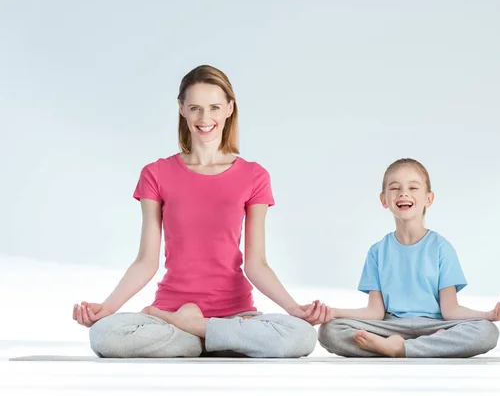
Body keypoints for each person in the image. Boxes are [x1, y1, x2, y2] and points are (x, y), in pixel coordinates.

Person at [72, 65, 323, 358]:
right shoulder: (156, 174)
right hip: (170, 313)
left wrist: (293, 308)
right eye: (195, 108)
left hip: (234, 315)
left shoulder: (254, 176)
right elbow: (146, 261)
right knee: (105, 336)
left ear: (229, 108)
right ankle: (204, 337)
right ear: (182, 109)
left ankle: (197, 332)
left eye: (214, 107)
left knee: (302, 337)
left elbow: (257, 264)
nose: (205, 119)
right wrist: (108, 308)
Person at [316, 158, 500, 358]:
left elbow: (450, 310)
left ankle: (399, 348)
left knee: (486, 332)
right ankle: (418, 346)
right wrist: (333, 312)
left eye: (413, 187)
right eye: (395, 188)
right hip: (390, 327)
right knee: (329, 331)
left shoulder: (441, 248)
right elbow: (375, 312)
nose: (403, 193)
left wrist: (488, 315)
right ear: (384, 200)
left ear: (428, 199)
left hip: (435, 325)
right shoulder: (377, 251)